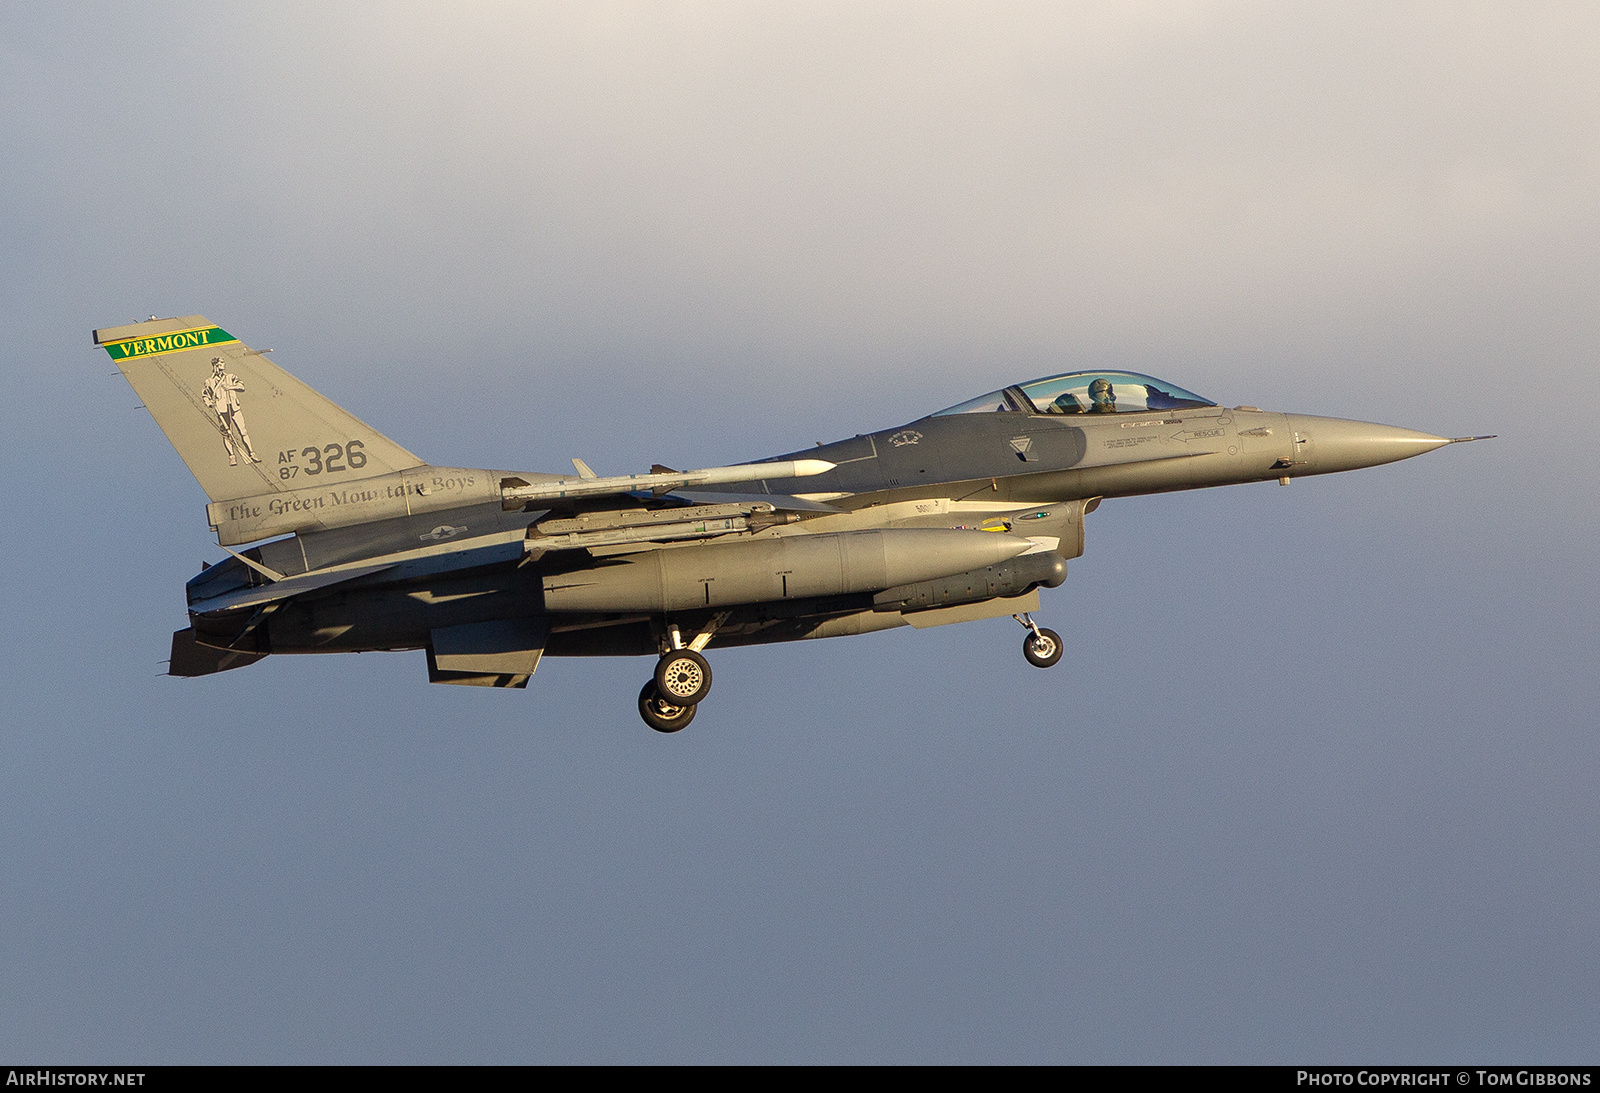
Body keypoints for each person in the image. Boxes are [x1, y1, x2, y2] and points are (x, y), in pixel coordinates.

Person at [202, 357, 261, 465]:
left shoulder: (230, 377)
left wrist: (231, 387)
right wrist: (209, 403)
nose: (224, 364)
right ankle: (232, 456)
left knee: (243, 431)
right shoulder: (209, 381)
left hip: (234, 407)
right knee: (226, 434)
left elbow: (241, 387)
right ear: (216, 365)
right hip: (222, 410)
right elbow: (205, 395)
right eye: (221, 363)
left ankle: (251, 453)